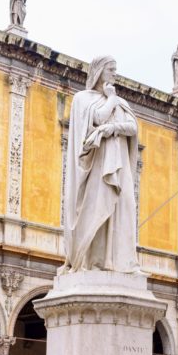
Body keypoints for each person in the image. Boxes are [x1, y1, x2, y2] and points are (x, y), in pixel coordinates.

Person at [61, 55, 141, 274]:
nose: (114, 75)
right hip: (97, 166)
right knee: (97, 209)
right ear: (98, 72)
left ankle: (121, 261)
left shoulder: (120, 102)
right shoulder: (83, 99)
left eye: (116, 70)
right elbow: (98, 118)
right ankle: (94, 261)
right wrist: (111, 100)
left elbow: (132, 128)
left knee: (124, 206)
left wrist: (112, 129)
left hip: (118, 164)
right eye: (111, 70)